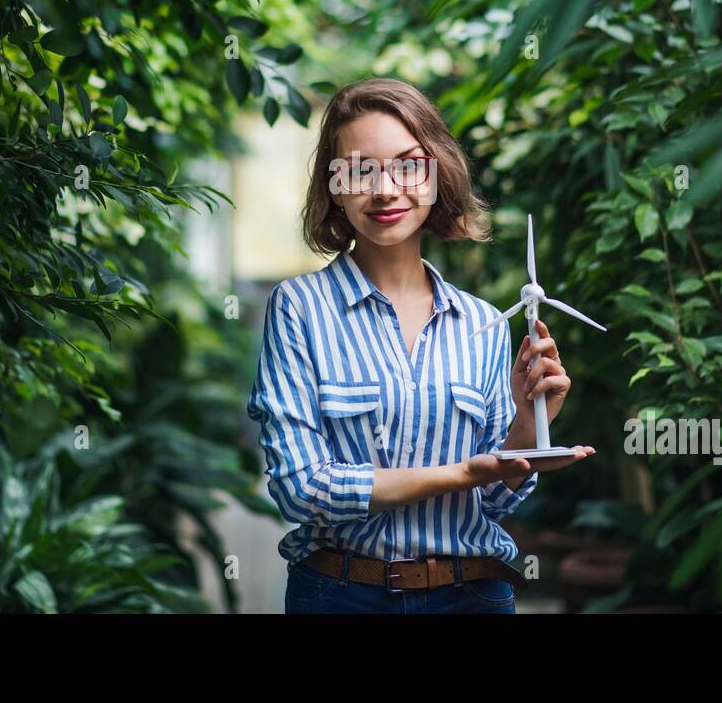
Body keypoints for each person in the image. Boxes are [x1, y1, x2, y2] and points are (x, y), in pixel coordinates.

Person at [247, 77, 595, 613]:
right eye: (360, 170)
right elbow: (301, 488)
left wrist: (529, 427)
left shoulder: (482, 321)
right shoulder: (299, 308)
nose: (385, 189)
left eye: (408, 165)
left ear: (437, 178)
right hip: (340, 595)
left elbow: (493, 501)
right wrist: (459, 473)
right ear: (335, 187)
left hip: (473, 594)